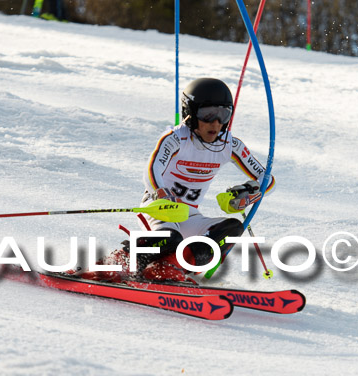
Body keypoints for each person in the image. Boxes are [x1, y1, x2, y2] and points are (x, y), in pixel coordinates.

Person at [79, 77, 275, 282]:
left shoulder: (229, 145)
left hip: (189, 215)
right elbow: (153, 167)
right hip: (159, 208)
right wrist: (161, 192)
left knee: (231, 229)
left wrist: (248, 192)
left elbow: (266, 178)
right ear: (190, 113)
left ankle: (166, 268)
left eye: (223, 115)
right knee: (169, 238)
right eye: (207, 114)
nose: (215, 123)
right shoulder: (176, 138)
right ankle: (114, 263)